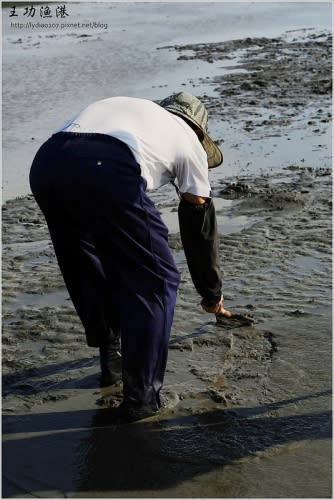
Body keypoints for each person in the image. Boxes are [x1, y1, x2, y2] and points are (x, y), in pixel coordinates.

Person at [29, 91, 225, 422]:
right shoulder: (188, 141)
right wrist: (212, 294)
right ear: (198, 130)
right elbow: (199, 223)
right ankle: (142, 399)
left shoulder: (132, 110)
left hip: (48, 163)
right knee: (158, 280)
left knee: (88, 266)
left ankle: (112, 361)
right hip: (106, 165)